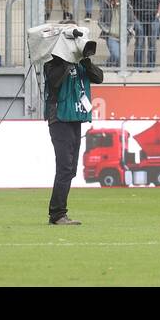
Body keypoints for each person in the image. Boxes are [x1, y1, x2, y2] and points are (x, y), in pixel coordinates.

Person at [43, 27, 103, 226]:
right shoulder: (53, 63)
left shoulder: (82, 63)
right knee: (65, 166)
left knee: (70, 169)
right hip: (59, 118)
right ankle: (57, 214)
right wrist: (67, 59)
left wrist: (84, 59)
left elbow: (99, 77)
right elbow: (54, 82)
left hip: (75, 118)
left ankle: (58, 213)